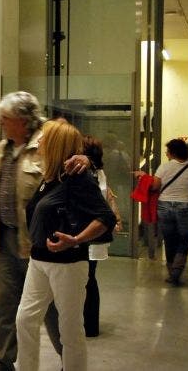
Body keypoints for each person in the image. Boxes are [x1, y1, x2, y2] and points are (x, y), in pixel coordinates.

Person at [0, 93, 89, 371]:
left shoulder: (46, 146)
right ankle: (1, 360)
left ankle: (67, 360)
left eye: (6, 119)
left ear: (23, 121)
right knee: (7, 306)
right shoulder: (3, 149)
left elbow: (74, 169)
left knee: (52, 310)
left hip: (38, 242)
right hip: (5, 239)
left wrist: (84, 160)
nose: (1, 123)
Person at [16, 120, 116, 371]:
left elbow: (105, 217)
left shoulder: (77, 176)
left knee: (70, 329)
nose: (38, 142)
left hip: (68, 263)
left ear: (56, 144)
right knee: (25, 320)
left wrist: (77, 239)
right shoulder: (51, 175)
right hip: (39, 259)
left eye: (43, 138)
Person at [134, 138, 188, 285]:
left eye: (168, 151)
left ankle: (171, 270)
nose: (166, 153)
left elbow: (154, 187)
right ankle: (177, 271)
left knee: (169, 239)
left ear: (173, 153)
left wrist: (144, 176)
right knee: (184, 240)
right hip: (185, 207)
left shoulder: (164, 168)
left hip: (164, 206)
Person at [81, 135, 122, 337]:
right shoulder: (99, 173)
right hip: (96, 234)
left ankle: (87, 325)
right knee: (89, 279)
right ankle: (90, 325)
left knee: (85, 280)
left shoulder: (86, 174)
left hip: (86, 233)